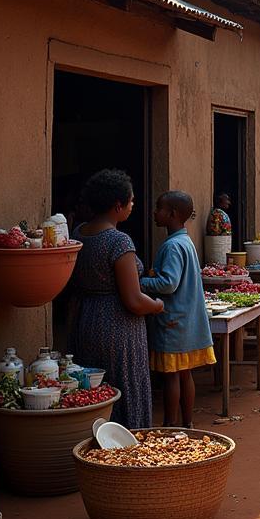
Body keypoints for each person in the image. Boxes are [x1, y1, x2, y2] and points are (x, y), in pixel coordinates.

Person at [68, 169, 164, 428]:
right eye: (131, 201)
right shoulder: (118, 242)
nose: (133, 206)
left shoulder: (79, 233)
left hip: (85, 321)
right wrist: (157, 305)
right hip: (118, 329)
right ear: (118, 206)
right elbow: (133, 300)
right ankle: (123, 451)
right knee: (123, 389)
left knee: (93, 392)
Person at [141, 191, 216, 428]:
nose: (154, 212)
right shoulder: (185, 241)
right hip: (186, 319)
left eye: (158, 208)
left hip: (172, 320)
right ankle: (188, 424)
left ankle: (169, 425)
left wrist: (141, 282)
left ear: (172, 214)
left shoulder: (173, 246)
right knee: (185, 373)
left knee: (172, 375)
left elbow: (169, 283)